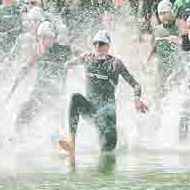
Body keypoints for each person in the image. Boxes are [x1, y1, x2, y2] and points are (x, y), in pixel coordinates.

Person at [58, 30, 147, 163]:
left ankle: (119, 141)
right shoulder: (87, 58)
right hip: (92, 111)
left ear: (108, 46)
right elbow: (67, 64)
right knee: (75, 98)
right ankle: (71, 142)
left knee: (106, 153)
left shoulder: (115, 63)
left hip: (107, 119)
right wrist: (66, 64)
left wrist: (136, 99)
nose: (98, 47)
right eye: (96, 44)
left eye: (102, 44)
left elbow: (135, 85)